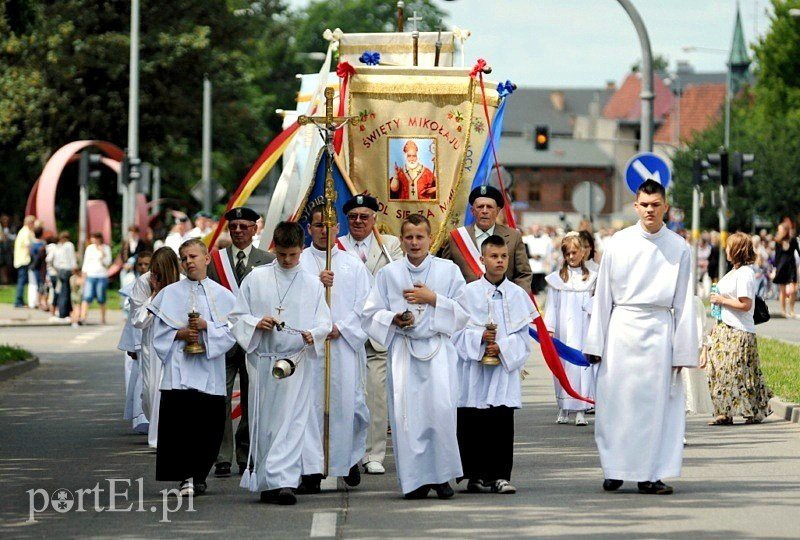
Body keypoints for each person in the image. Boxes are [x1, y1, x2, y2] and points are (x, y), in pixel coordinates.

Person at [584, 179, 696, 496]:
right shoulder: (618, 243)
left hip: (660, 331)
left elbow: (685, 301)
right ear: (636, 206)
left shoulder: (678, 247)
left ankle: (651, 473)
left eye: (655, 205)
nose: (649, 210)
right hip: (622, 329)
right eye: (644, 205)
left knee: (655, 408)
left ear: (665, 207)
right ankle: (615, 469)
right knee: (617, 404)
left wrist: (683, 352)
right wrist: (596, 343)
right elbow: (603, 294)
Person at [362, 214, 470, 500]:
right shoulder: (389, 273)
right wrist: (394, 319)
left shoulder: (448, 271)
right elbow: (370, 314)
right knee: (408, 418)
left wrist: (433, 299)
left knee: (441, 414)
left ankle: (442, 478)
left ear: (430, 238)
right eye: (408, 237)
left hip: (438, 351)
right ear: (401, 239)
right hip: (404, 352)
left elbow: (464, 312)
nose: (414, 242)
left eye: (419, 237)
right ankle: (415, 481)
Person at [229, 222, 331, 505]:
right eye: (282, 254)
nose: (287, 261)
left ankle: (284, 481)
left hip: (295, 362)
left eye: (293, 255)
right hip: (263, 361)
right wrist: (255, 322)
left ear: (302, 250)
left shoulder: (312, 282)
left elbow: (324, 320)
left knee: (292, 422)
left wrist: (314, 333)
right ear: (274, 247)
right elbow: (236, 316)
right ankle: (267, 480)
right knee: (266, 422)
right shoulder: (255, 278)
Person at [149, 239, 237, 497]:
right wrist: (181, 334)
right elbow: (158, 334)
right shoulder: (169, 293)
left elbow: (232, 332)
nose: (189, 262)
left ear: (206, 258)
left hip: (209, 371)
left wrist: (207, 328)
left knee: (208, 428)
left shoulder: (223, 295)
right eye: (184, 258)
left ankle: (199, 474)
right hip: (179, 371)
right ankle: (185, 477)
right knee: (180, 428)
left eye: (193, 256)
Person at [453, 234, 535, 495]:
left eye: (503, 257)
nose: (499, 261)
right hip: (475, 368)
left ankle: (499, 475)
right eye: (493, 256)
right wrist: (479, 339)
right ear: (482, 259)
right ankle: (475, 475)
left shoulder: (517, 294)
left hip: (502, 367)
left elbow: (524, 337)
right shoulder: (467, 293)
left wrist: (502, 347)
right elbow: (455, 334)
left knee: (500, 420)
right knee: (473, 420)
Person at [299, 205, 372, 492]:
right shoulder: (300, 263)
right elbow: (290, 300)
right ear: (309, 229)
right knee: (311, 408)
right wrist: (316, 284)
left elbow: (366, 306)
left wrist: (341, 327)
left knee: (347, 406)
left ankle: (347, 459)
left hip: (343, 345)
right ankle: (311, 469)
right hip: (311, 349)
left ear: (337, 229)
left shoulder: (353, 264)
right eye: (318, 225)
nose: (324, 230)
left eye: (329, 225)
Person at [337, 195, 403, 476]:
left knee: (376, 395)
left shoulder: (390, 245)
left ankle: (373, 453)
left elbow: (398, 281)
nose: (359, 222)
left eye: (365, 216)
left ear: (375, 218)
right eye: (353, 217)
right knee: (344, 396)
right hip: (345, 330)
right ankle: (344, 451)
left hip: (376, 330)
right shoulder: (336, 247)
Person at [207, 206, 274, 478]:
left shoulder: (268, 260)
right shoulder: (214, 261)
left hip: (255, 340)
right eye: (233, 227)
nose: (238, 232)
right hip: (223, 340)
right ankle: (222, 456)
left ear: (255, 229)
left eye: (244, 227)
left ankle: (246, 453)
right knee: (220, 397)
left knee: (252, 399)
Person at [705, 232, 773, 425]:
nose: (726, 249)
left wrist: (721, 300)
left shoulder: (744, 273)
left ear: (736, 250)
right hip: (724, 328)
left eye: (729, 247)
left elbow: (746, 305)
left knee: (738, 372)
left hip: (739, 330)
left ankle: (752, 410)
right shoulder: (733, 271)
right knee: (719, 370)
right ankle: (724, 412)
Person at [544, 232, 597, 426]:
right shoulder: (557, 280)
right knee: (563, 366)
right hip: (563, 328)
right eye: (568, 254)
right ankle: (563, 407)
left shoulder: (591, 278)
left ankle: (581, 409)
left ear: (583, 252)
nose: (572, 257)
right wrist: (549, 328)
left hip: (584, 327)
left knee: (582, 366)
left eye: (575, 252)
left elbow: (597, 302)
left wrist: (590, 309)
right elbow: (552, 306)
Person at [440, 185, 532, 293]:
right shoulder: (456, 237)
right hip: (467, 303)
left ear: (497, 211)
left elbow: (523, 274)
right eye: (480, 207)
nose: (484, 211)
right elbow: (445, 273)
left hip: (504, 303)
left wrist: (516, 298)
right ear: (472, 211)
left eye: (489, 207)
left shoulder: (513, 236)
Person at [132, 248, 180, 449]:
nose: (155, 275)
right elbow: (138, 320)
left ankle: (171, 432)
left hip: (175, 339)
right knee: (150, 389)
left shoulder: (182, 282)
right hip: (151, 340)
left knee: (173, 386)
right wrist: (154, 294)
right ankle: (156, 429)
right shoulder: (144, 282)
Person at [118, 252, 153, 435]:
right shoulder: (135, 286)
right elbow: (133, 318)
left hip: (154, 341)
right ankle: (142, 419)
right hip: (138, 339)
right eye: (140, 264)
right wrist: (131, 345)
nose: (143, 267)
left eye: (147, 264)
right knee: (139, 381)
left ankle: (151, 420)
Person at [80, 232, 112, 324]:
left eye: (95, 238)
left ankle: (103, 318)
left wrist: (103, 254)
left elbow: (107, 263)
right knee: (87, 296)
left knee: (101, 298)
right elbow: (86, 263)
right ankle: (83, 317)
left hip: (102, 275)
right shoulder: (89, 248)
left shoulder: (106, 248)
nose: (93, 240)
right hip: (91, 275)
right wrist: (83, 276)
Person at [772, 223, 799, 318]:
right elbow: (776, 256)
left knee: (793, 290)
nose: (779, 231)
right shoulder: (778, 241)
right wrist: (774, 269)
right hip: (781, 268)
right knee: (782, 291)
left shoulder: (793, 240)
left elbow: (798, 253)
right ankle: (783, 311)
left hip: (791, 267)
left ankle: (791, 310)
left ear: (786, 230)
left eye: (781, 230)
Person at [13, 215, 35, 308]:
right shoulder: (26, 232)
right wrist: (33, 255)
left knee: (21, 281)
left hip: (19, 259)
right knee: (22, 281)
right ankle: (18, 301)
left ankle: (20, 300)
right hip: (24, 259)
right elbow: (28, 246)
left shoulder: (22, 231)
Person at [522, 224, 552, 294]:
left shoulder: (546, 239)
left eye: (537, 229)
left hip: (542, 266)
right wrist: (532, 256)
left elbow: (549, 252)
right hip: (531, 266)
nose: (536, 231)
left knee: (541, 290)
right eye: (534, 229)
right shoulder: (527, 239)